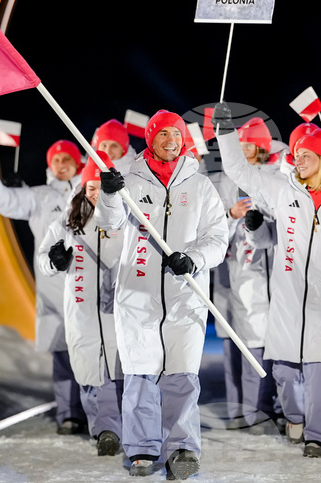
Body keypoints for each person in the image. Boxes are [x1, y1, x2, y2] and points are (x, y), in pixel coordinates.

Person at [214, 102, 321, 458]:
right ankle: (295, 417)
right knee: (284, 372)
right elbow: (236, 168)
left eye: (305, 154)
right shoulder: (281, 189)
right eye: (295, 153)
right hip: (288, 299)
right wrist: (226, 132)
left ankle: (319, 436)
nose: (297, 159)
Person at [95, 110, 228, 479]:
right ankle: (141, 447)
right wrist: (108, 194)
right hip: (137, 294)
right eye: (163, 133)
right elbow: (110, 224)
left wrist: (195, 259)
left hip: (185, 294)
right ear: (151, 137)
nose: (170, 140)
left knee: (182, 373)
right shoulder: (129, 180)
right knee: (140, 372)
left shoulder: (200, 186)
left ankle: (182, 447)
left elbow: (218, 238)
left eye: (176, 133)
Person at [0, 140, 88, 434]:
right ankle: (69, 414)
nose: (61, 164)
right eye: (56, 159)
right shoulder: (40, 196)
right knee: (62, 354)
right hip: (54, 289)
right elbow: (7, 201)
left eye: (67, 159)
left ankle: (100, 412)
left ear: (78, 162)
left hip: (88, 287)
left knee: (93, 351)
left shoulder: (89, 191)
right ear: (50, 165)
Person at [36, 150, 125, 457]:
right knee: (88, 371)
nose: (96, 193)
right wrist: (54, 261)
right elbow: (43, 257)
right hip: (82, 309)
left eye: (101, 187)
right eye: (90, 188)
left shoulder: (125, 218)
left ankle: (117, 427)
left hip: (116, 311)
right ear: (83, 189)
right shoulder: (68, 221)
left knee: (118, 369)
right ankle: (103, 430)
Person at [209, 116, 281, 431]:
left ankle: (279, 408)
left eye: (251, 143)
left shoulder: (279, 176)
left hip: (278, 270)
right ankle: (252, 412)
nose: (245, 149)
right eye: (241, 143)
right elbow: (210, 228)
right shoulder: (224, 180)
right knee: (249, 341)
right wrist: (230, 216)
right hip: (241, 271)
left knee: (280, 346)